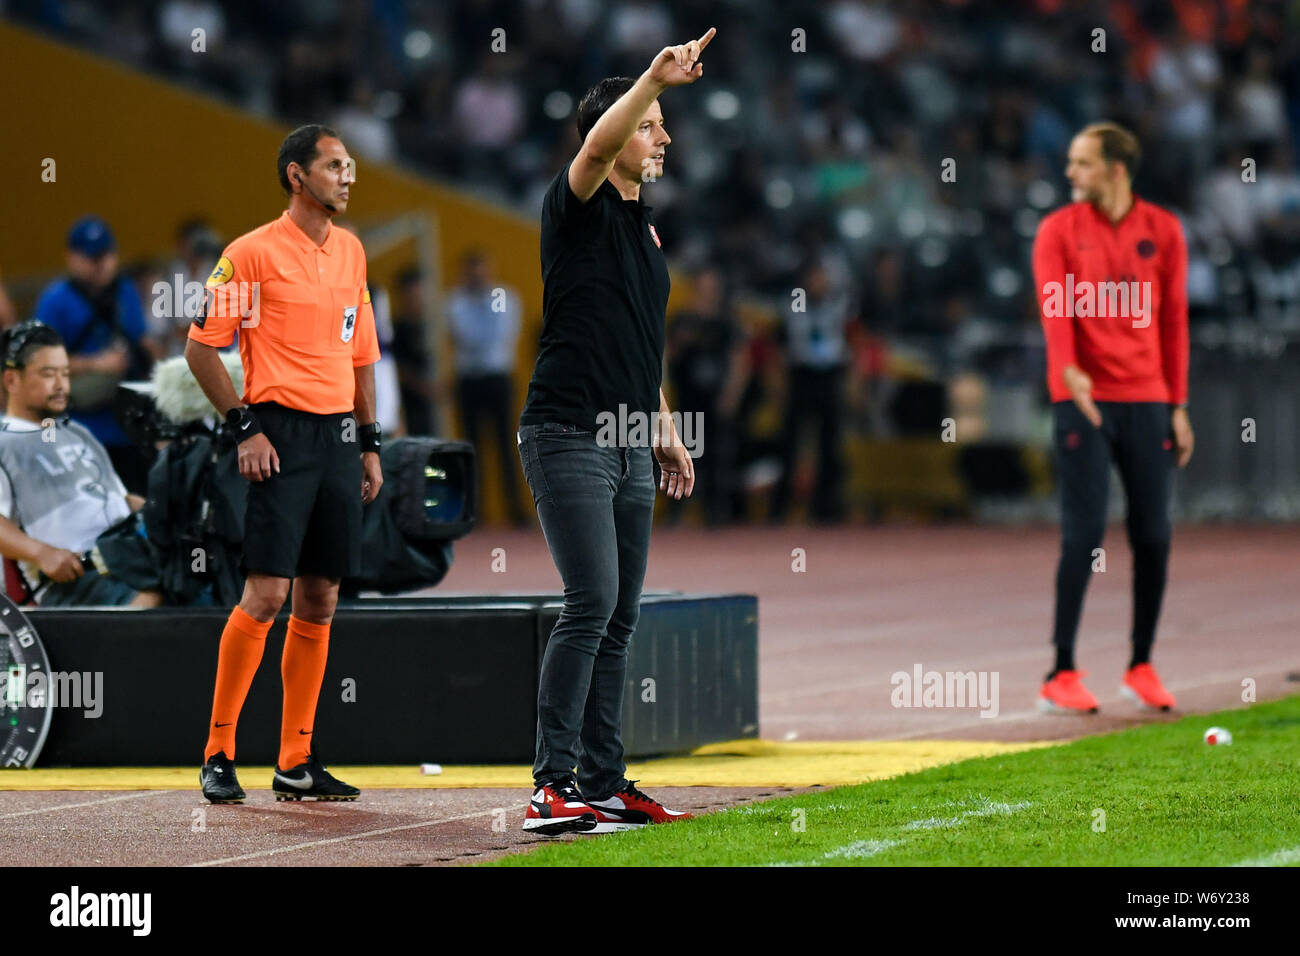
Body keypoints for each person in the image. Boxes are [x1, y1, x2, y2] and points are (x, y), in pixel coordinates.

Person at [516, 29, 715, 835]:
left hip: (631, 435)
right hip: (567, 430)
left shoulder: (645, 228)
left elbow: (641, 341)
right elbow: (598, 139)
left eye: (663, 122)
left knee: (620, 615)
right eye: (652, 123)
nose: (663, 135)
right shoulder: (580, 200)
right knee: (590, 600)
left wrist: (664, 428)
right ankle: (548, 785)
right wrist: (651, 77)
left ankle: (602, 782)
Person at [185, 124, 383, 804]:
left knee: (321, 597)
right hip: (276, 436)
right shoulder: (249, 256)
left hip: (336, 439)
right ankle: (217, 750)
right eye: (334, 166)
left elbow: (360, 358)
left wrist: (370, 440)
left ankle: (295, 759)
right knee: (266, 594)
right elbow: (201, 349)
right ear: (296, 176)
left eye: (350, 166)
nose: (348, 177)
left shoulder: (353, 252)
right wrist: (244, 428)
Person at [1033, 121, 1192, 714]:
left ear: (1116, 170)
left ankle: (1141, 664)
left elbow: (1174, 320)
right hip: (1083, 400)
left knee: (1153, 534)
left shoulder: (1164, 231)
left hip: (1149, 399)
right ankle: (1061, 670)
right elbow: (1054, 309)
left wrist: (1178, 404)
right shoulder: (1057, 231)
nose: (1070, 173)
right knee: (1084, 534)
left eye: (1082, 163)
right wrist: (1066, 371)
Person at [0, 321, 162, 608]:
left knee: (204, 576)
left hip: (129, 556)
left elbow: (121, 499)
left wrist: (167, 517)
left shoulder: (78, 432)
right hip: (74, 580)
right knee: (160, 597)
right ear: (11, 381)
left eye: (65, 373)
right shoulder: (5, 443)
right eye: (48, 374)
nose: (62, 384)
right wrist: (42, 553)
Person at [35, 216, 163, 495]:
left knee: (137, 499)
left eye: (106, 255)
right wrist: (96, 364)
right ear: (72, 258)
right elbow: (40, 362)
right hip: (82, 428)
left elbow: (140, 338)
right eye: (93, 258)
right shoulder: (56, 300)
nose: (101, 264)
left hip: (127, 425)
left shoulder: (124, 290)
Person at [447, 249, 526, 525]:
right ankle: (475, 512)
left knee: (507, 445)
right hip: (468, 381)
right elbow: (470, 337)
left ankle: (515, 509)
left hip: (498, 379)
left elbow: (500, 336)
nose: (478, 276)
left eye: (482, 270)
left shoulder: (507, 296)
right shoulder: (455, 301)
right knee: (472, 447)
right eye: (472, 271)